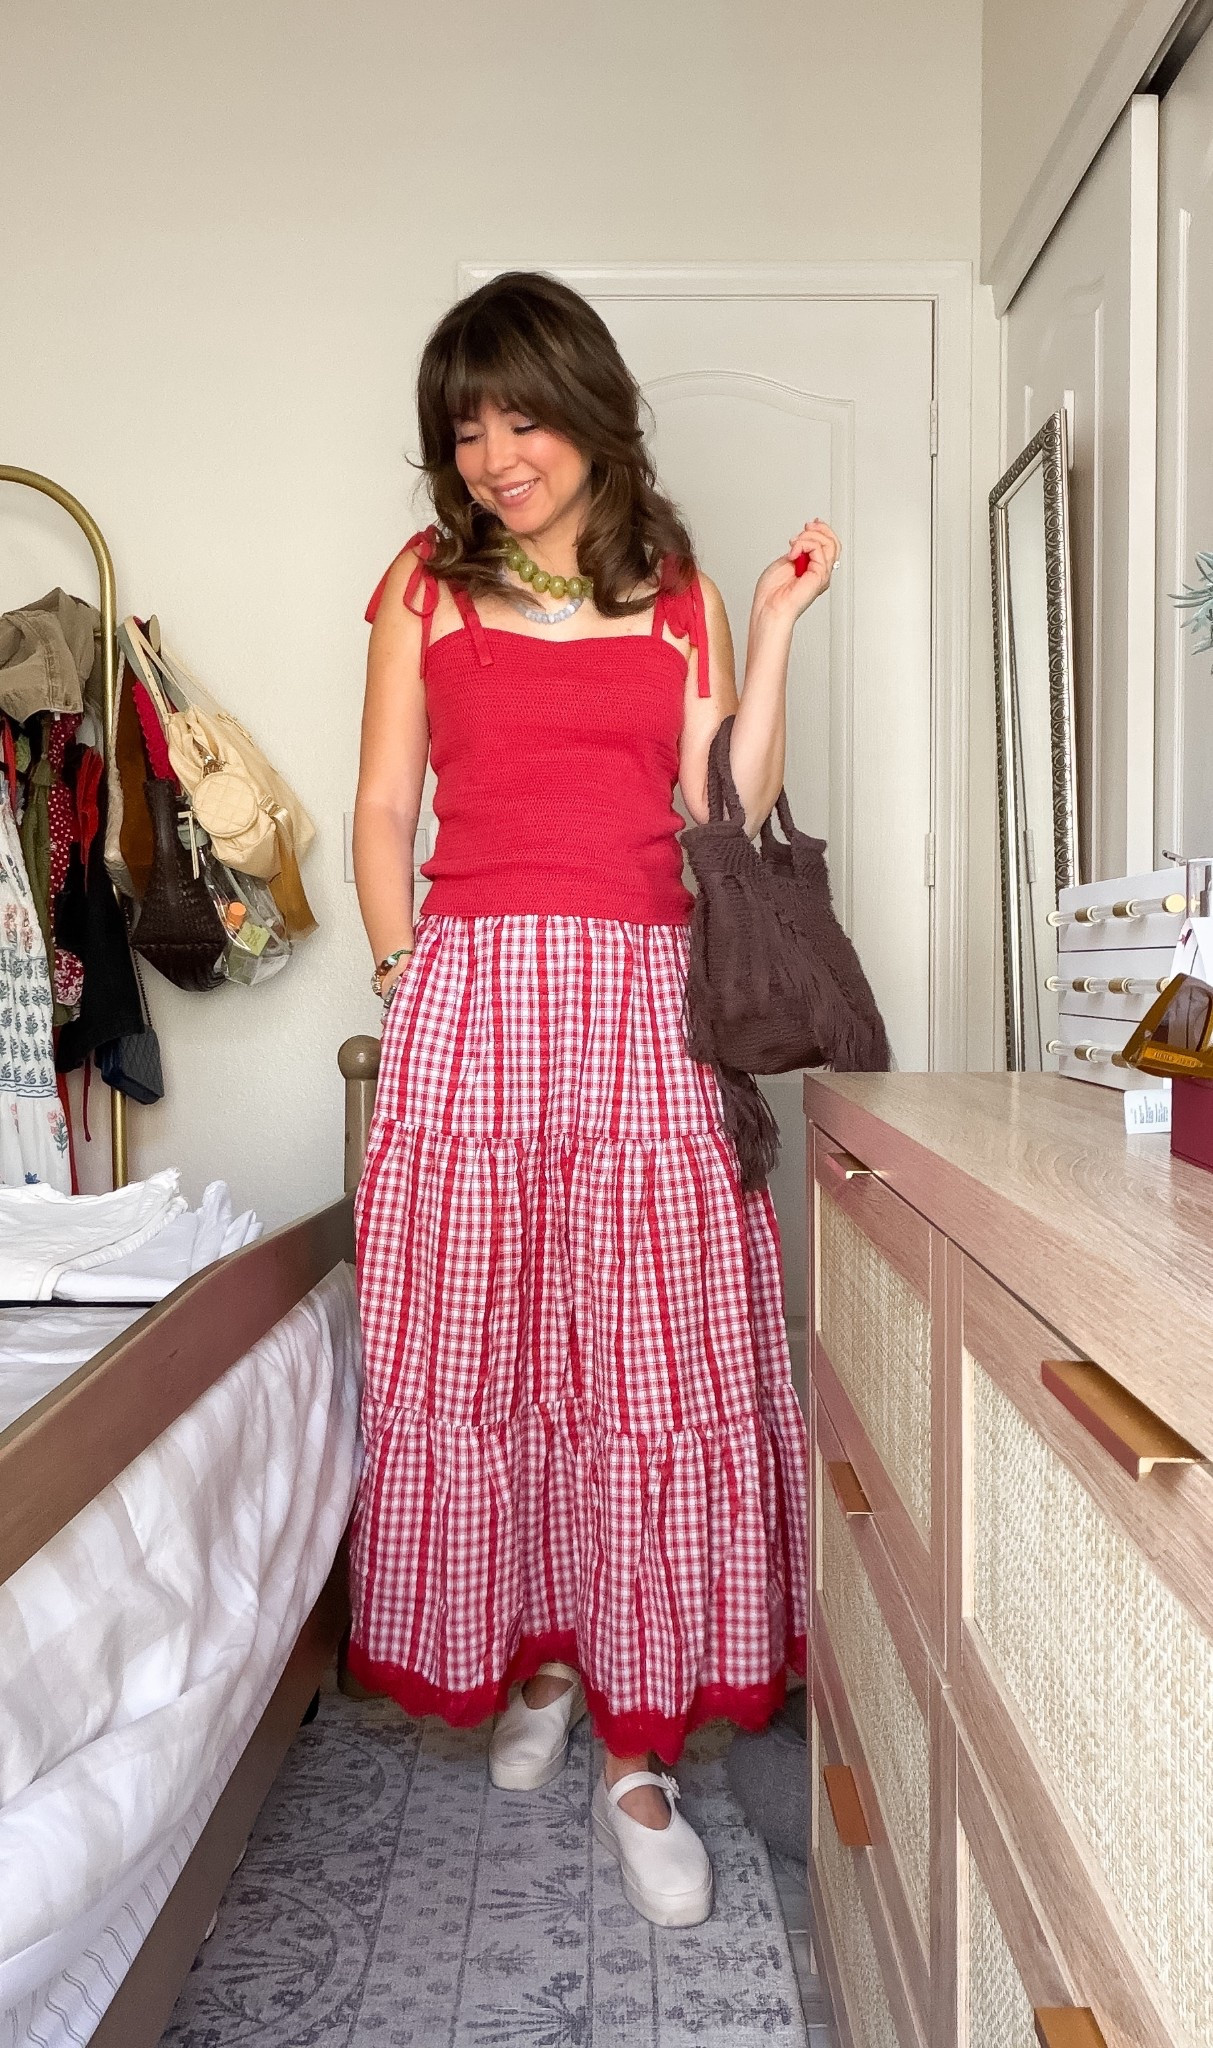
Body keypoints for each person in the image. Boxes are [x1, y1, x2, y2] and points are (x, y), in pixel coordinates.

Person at [350, 270, 835, 1929]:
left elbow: (726, 804)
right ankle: (537, 1665)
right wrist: (405, 980)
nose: (493, 453)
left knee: (640, 1359)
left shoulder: (678, 588)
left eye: (520, 414)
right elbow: (380, 798)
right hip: (475, 997)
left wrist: (768, 634)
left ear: (590, 407)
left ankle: (634, 1741)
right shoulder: (427, 587)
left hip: (642, 1000)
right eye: (465, 426)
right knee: (492, 1348)